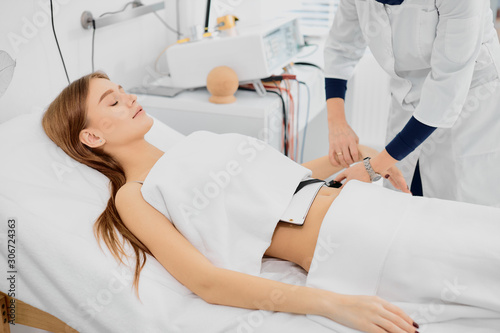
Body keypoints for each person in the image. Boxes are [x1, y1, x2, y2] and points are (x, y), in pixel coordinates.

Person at [41, 73, 500, 333]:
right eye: (113, 101)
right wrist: (333, 305)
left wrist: (365, 159)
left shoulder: (193, 143)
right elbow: (209, 283)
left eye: (122, 91)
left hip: (371, 207)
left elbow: (289, 179)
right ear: (92, 136)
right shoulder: (134, 195)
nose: (130, 98)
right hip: (358, 239)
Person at [324, 0, 500, 207]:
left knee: (457, 210)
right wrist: (337, 124)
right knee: (402, 203)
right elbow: (340, 49)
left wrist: (374, 168)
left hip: (469, 106)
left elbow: (446, 92)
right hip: (407, 102)